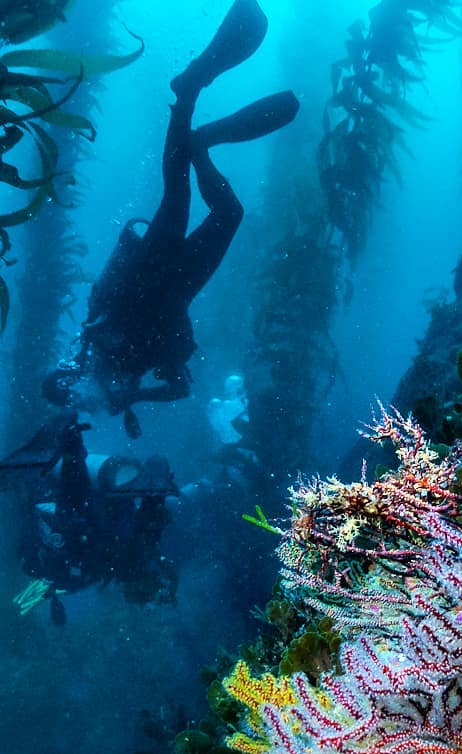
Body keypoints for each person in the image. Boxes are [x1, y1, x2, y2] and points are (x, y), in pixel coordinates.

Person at [42, 0, 300, 437]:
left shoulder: (92, 354)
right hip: (178, 286)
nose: (99, 394)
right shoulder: (138, 371)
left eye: (89, 394)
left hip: (145, 274)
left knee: (177, 192)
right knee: (229, 212)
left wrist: (99, 387)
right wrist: (135, 397)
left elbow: (54, 384)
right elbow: (179, 388)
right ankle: (200, 141)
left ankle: (187, 95)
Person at [0, 412, 179, 623]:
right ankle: (72, 447)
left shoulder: (144, 553)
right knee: (77, 520)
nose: (140, 604)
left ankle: (72, 447)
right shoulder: (136, 560)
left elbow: (149, 514)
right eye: (145, 600)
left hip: (113, 507)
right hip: (106, 517)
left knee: (79, 518)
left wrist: (157, 489)